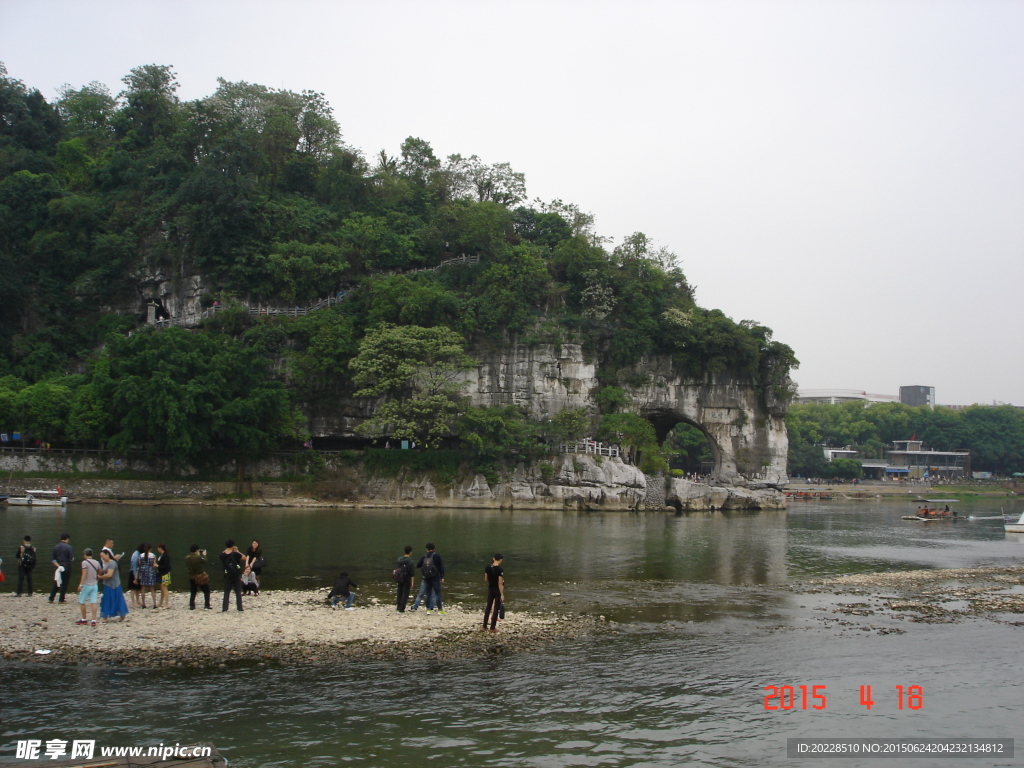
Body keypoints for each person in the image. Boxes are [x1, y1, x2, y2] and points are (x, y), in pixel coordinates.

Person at [410, 543, 445, 614]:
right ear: (434, 549)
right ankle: (440, 609)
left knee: (428, 593)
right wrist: (442, 576)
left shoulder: (424, 557)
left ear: (427, 549)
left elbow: (418, 565)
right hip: (435, 577)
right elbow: (441, 567)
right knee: (437, 593)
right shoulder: (437, 556)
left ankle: (428, 609)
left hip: (426, 578)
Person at [97, 549, 129, 622]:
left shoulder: (112, 563)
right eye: (101, 557)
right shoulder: (107, 563)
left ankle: (119, 615)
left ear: (107, 554)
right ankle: (107, 616)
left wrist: (99, 577)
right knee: (107, 599)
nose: (102, 558)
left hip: (113, 585)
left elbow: (109, 575)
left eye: (103, 556)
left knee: (114, 599)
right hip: (107, 584)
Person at [76, 548, 101, 626]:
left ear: (85, 555)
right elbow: (100, 571)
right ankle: (93, 620)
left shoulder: (84, 563)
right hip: (94, 585)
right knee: (93, 602)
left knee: (82, 601)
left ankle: (84, 619)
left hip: (87, 585)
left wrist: (81, 585)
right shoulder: (96, 562)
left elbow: (84, 574)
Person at [220, 540, 246, 612]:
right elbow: (245, 558)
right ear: (233, 546)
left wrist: (226, 550)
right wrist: (237, 551)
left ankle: (225, 608)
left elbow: (221, 556)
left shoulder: (222, 555)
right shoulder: (235, 554)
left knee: (226, 592)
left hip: (227, 575)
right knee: (238, 592)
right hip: (236, 575)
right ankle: (239, 607)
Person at [48, 533, 74, 603]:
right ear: (67, 539)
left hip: (58, 567)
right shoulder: (69, 547)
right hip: (66, 566)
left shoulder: (55, 547)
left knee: (57, 582)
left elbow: (53, 559)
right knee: (65, 583)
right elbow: (71, 558)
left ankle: (51, 598)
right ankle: (61, 599)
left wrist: (58, 566)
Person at [483, 553, 505, 632]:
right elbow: (500, 583)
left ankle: (484, 626)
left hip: (490, 588)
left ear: (493, 559)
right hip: (497, 589)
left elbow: (486, 579)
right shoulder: (500, 570)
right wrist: (502, 594)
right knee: (496, 607)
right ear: (501, 560)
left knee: (488, 607)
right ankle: (492, 627)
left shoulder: (488, 567)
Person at [185, 545, 211, 610]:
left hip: (191, 577)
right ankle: (207, 605)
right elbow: (205, 561)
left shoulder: (187, 558)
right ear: (196, 550)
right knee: (206, 590)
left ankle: (192, 605)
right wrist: (204, 555)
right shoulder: (198, 557)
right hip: (199, 576)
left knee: (193, 591)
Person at [136, 543, 158, 607]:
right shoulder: (153, 555)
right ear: (150, 549)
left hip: (143, 571)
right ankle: (154, 604)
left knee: (143, 588)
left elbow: (139, 563)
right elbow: (154, 564)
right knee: (152, 588)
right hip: (150, 571)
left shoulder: (141, 555)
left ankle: (143, 604)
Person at [395, 545, 416, 613]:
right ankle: (402, 609)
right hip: (407, 579)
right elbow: (412, 573)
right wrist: (412, 582)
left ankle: (398, 607)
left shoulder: (399, 560)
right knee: (405, 594)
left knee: (399, 592)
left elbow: (397, 569)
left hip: (399, 577)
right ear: (410, 552)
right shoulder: (410, 561)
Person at [127, 543, 145, 607]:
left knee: (138, 588)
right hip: (134, 572)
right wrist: (135, 577)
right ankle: (133, 602)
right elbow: (134, 566)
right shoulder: (135, 555)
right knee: (133, 588)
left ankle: (138, 600)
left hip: (138, 572)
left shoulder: (139, 554)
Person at [156, 544, 172, 608]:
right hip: (160, 573)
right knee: (161, 589)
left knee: (164, 589)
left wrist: (158, 566)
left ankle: (167, 604)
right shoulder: (162, 555)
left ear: (160, 548)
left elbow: (167, 566)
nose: (157, 549)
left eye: (158, 548)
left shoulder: (165, 556)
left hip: (165, 574)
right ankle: (161, 603)